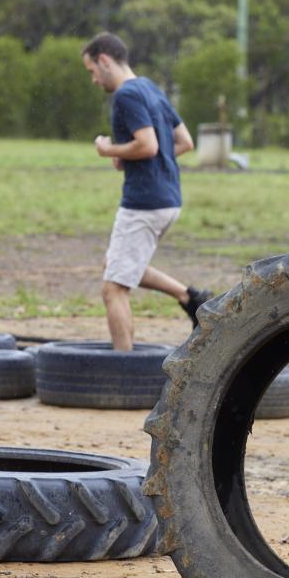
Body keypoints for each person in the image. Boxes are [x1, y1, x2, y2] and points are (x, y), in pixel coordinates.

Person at [81, 32, 213, 351]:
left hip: (143, 202)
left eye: (91, 71)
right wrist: (130, 159)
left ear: (104, 60)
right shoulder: (151, 88)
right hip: (168, 198)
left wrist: (108, 149)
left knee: (113, 288)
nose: (94, 80)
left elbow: (148, 144)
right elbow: (182, 142)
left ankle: (124, 369)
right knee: (118, 264)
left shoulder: (125, 96)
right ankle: (191, 298)